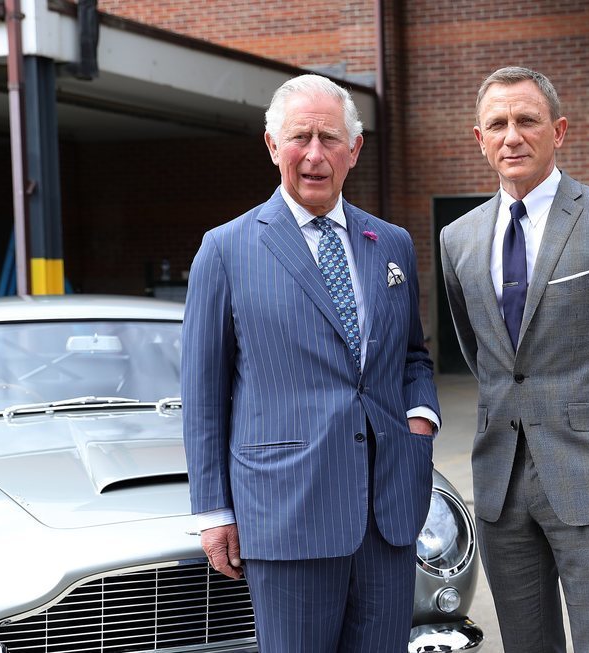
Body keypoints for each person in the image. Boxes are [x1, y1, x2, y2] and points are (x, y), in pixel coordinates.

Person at [182, 74, 440, 653]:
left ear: (355, 148)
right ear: (273, 146)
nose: (315, 154)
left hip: (387, 513)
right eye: (301, 137)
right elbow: (203, 392)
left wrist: (418, 423)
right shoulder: (224, 249)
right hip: (287, 514)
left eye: (330, 137)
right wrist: (213, 510)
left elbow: (413, 356)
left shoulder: (391, 242)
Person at [440, 66, 589, 652]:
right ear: (479, 138)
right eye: (497, 124)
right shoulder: (458, 239)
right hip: (499, 482)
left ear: (559, 130)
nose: (511, 136)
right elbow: (482, 351)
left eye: (526, 120)